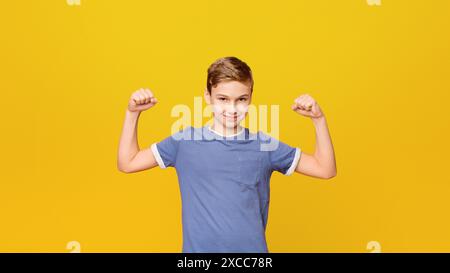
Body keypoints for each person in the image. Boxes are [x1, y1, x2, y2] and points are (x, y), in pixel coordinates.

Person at [117, 56, 337, 253]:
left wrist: (318, 120)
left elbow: (325, 169)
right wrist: (132, 114)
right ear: (208, 96)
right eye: (223, 99)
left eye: (241, 99)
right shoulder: (183, 142)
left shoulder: (265, 145)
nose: (232, 109)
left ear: (251, 97)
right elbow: (128, 162)